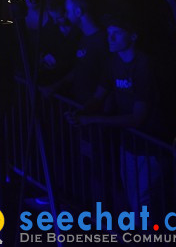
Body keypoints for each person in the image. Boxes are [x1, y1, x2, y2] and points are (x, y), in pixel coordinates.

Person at [66, 14, 162, 211]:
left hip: (150, 145)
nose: (110, 39)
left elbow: (138, 117)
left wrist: (91, 119)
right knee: (133, 197)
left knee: (143, 200)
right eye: (109, 34)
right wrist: (80, 112)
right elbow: (99, 95)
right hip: (128, 143)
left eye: (116, 34)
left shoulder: (144, 66)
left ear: (133, 36)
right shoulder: (113, 62)